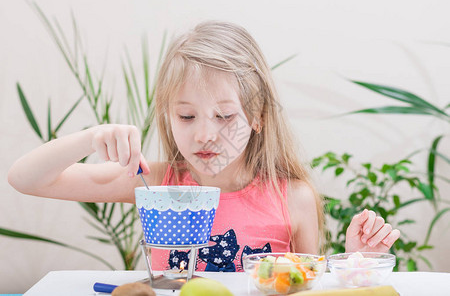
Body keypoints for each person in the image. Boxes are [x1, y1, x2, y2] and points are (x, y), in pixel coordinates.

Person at [8, 21, 400, 272]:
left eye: (225, 116)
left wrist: (355, 261)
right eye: (186, 116)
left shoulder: (293, 198)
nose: (205, 135)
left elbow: (303, 285)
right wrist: (91, 138)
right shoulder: (154, 185)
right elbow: (25, 179)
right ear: (167, 116)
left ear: (258, 115)